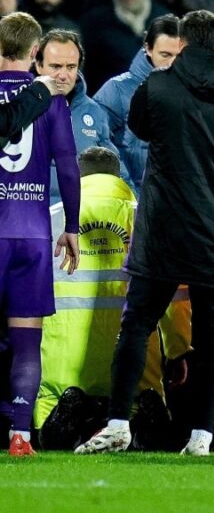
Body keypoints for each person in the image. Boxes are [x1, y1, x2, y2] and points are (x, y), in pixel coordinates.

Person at [74, 9, 214, 457]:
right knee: (213, 335)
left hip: (164, 227)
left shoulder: (159, 86)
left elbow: (142, 128)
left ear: (181, 45)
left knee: (138, 324)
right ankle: (202, 435)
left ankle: (119, 422)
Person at [35, 147, 191, 451]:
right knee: (143, 406)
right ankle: (141, 416)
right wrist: (178, 348)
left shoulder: (50, 220)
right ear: (118, 178)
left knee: (53, 419)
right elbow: (175, 295)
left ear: (79, 178)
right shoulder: (147, 220)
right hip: (134, 372)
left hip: (62, 370)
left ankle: (62, 412)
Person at [0, 12, 80, 456]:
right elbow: (68, 167)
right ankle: (21, 436)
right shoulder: (52, 100)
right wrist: (70, 226)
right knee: (28, 341)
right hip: (31, 233)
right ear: (35, 54)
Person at [93, 14, 180, 194]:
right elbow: (95, 141)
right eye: (165, 55)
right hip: (131, 203)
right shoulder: (116, 90)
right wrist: (127, 190)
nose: (173, 63)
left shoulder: (196, 91)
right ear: (147, 48)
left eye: (180, 55)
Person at [34, 29, 122, 203]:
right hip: (33, 220)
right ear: (38, 65)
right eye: (55, 66)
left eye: (71, 67)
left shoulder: (95, 112)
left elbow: (116, 171)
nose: (63, 75)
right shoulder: (17, 109)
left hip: (83, 220)